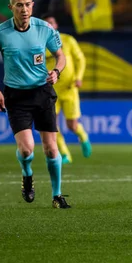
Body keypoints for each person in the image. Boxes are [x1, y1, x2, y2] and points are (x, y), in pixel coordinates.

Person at [0, 0, 70, 209]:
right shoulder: (0, 33)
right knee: (26, 149)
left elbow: (60, 55)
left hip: (42, 92)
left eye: (27, 4)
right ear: (11, 7)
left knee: (51, 148)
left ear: (33, 5)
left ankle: (57, 195)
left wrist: (56, 72)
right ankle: (27, 174)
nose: (24, 9)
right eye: (19, 5)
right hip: (16, 96)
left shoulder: (44, 28)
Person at [43, 14, 92, 164]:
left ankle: (83, 136)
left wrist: (78, 77)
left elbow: (80, 59)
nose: (49, 26)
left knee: (72, 125)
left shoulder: (68, 40)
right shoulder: (39, 44)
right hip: (51, 90)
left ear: (56, 24)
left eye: (51, 22)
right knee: (52, 125)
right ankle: (64, 154)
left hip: (70, 88)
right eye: (46, 24)